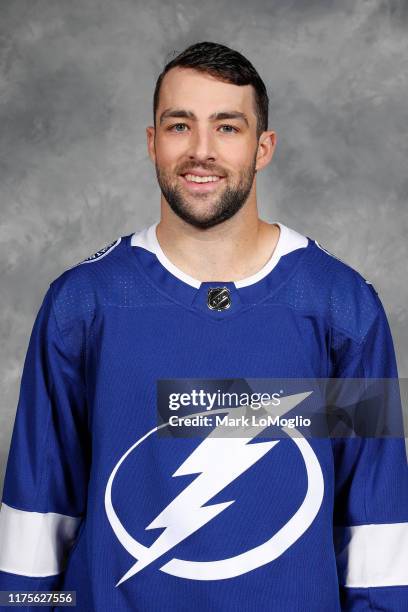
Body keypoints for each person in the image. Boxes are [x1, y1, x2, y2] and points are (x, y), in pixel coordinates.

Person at [0, 41, 407, 611]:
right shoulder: (84, 304)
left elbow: (376, 526)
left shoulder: (342, 306)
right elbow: (39, 514)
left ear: (263, 148)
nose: (201, 151)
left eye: (227, 127)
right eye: (179, 126)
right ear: (151, 142)